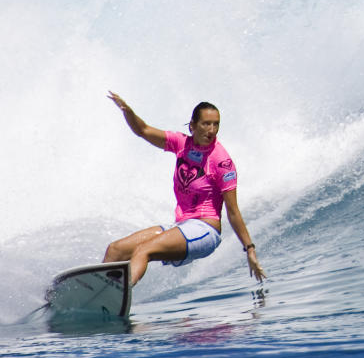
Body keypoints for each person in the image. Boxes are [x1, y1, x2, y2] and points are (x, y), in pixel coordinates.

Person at [103, 91, 266, 287]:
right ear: (193, 126)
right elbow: (143, 130)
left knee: (143, 250)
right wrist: (127, 111)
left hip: (205, 230)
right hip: (182, 226)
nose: (212, 130)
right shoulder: (181, 144)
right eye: (206, 123)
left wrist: (249, 249)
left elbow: (233, 211)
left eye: (216, 124)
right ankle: (95, 293)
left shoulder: (222, 162)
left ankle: (119, 291)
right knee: (116, 249)